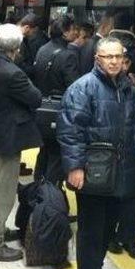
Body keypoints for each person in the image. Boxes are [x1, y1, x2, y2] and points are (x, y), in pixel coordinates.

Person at [57, 37, 135, 269]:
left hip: (122, 171)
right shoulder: (83, 88)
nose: (115, 61)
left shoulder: (128, 87)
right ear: (97, 59)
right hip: (93, 173)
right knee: (91, 230)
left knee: (108, 228)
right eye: (109, 57)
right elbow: (70, 131)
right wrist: (75, 168)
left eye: (119, 57)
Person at [0, 24, 43, 262]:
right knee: (1, 194)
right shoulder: (13, 73)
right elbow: (35, 98)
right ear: (16, 47)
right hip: (6, 140)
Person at [108, 52, 135, 260]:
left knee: (131, 200)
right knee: (111, 198)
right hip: (106, 153)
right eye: (115, 59)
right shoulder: (95, 86)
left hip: (130, 151)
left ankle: (129, 239)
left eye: (125, 61)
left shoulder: (133, 86)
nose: (120, 65)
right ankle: (110, 236)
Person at [32, 14, 79, 184]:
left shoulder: (43, 49)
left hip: (43, 109)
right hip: (59, 112)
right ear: (65, 33)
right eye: (73, 29)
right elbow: (74, 87)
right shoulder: (68, 55)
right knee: (57, 157)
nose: (76, 33)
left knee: (44, 151)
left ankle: (38, 187)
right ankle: (49, 196)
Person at [16, 13, 48, 80]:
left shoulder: (24, 39)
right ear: (27, 27)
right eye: (33, 32)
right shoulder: (16, 39)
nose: (33, 35)